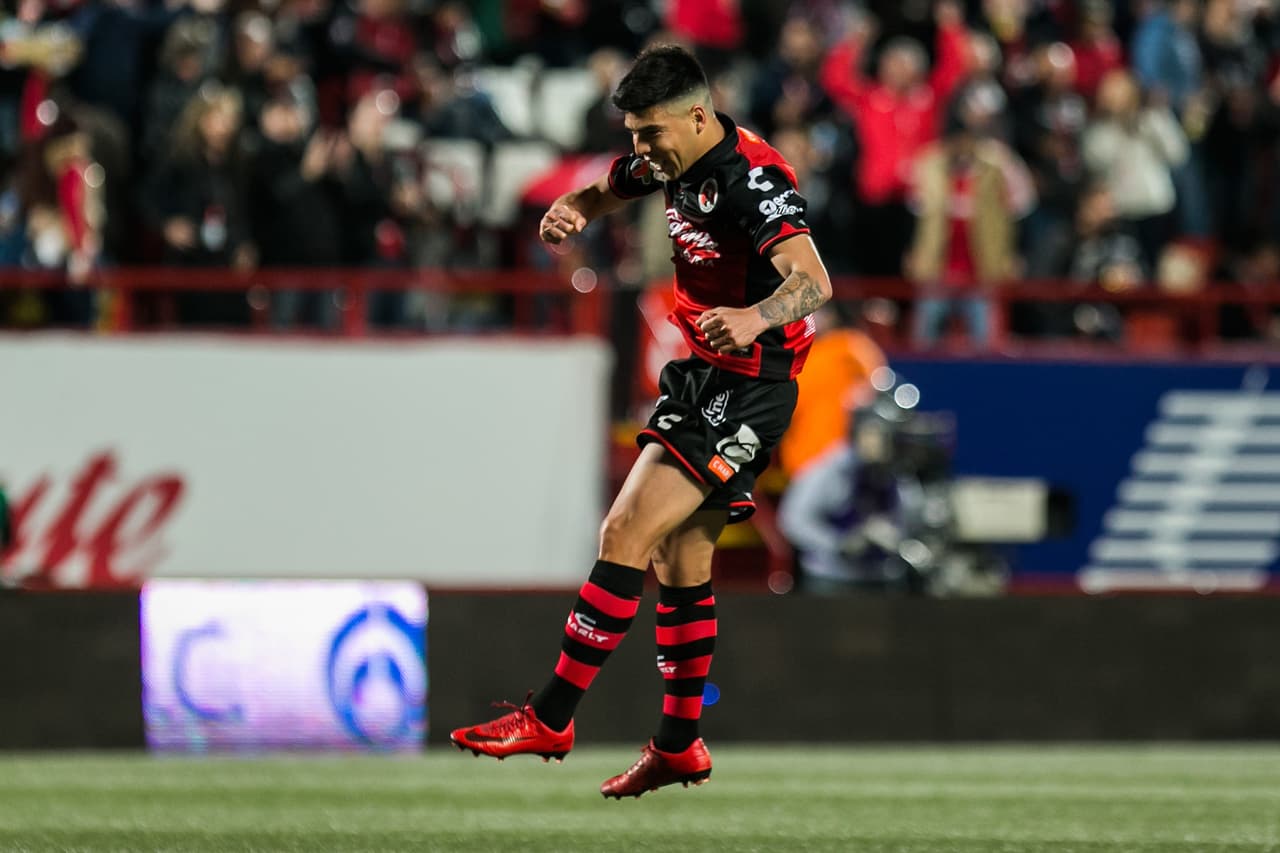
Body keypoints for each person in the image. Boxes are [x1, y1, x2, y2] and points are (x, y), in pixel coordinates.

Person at [449, 44, 832, 798]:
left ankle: (552, 714)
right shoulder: (665, 157)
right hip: (705, 373)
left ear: (698, 116)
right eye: (633, 134)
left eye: (650, 133)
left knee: (624, 533)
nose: (641, 149)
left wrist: (755, 318)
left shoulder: (753, 179)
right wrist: (577, 208)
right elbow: (613, 187)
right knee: (679, 560)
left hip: (750, 382)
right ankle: (680, 743)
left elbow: (812, 280)